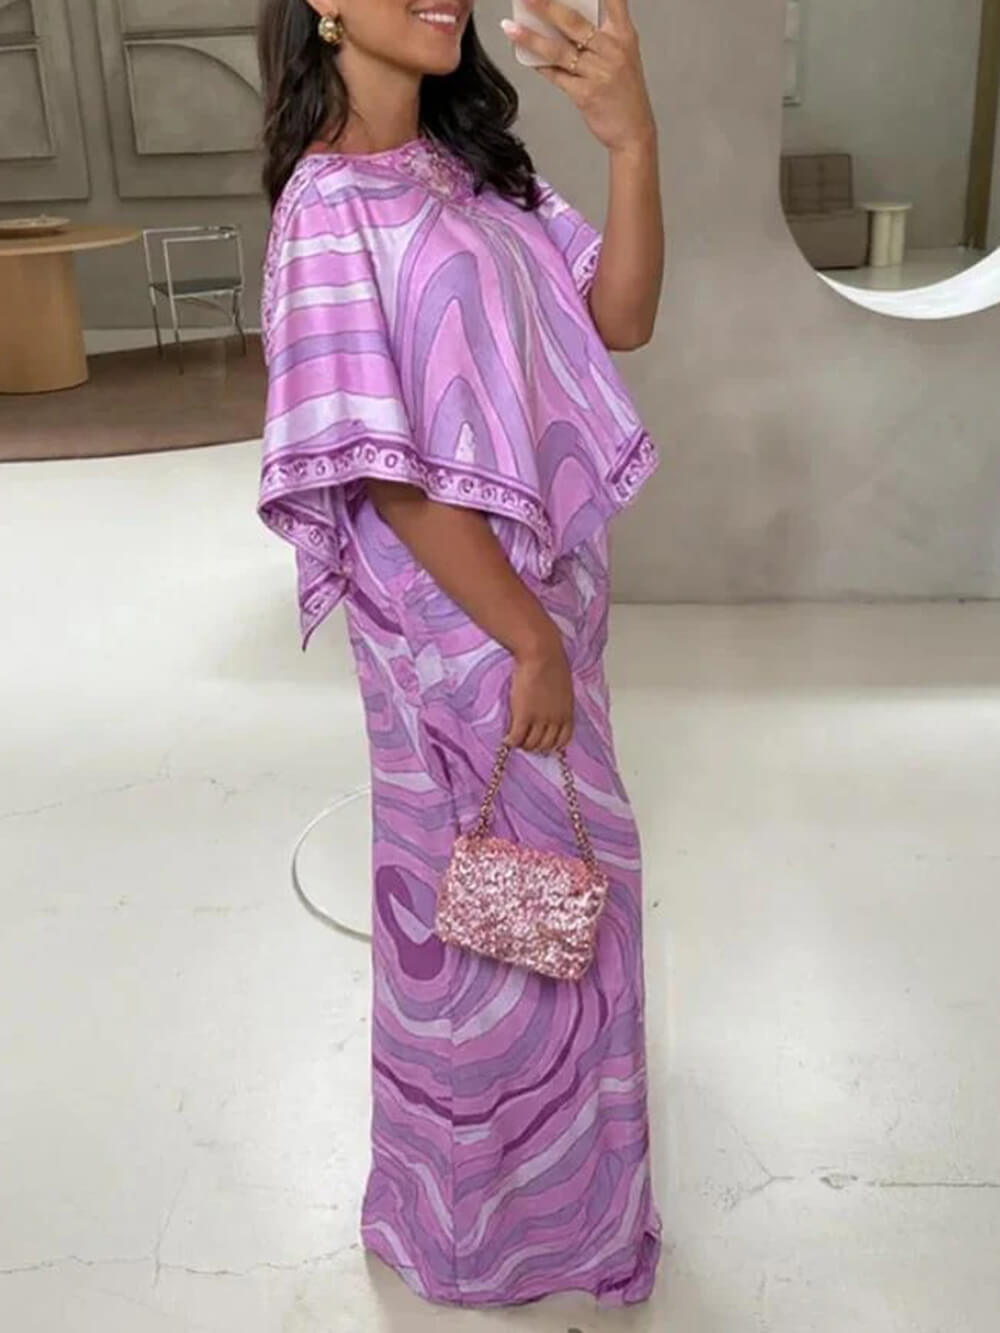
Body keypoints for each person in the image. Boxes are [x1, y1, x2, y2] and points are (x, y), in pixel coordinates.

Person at [255, 0, 666, 1308]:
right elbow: (384, 473)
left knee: (550, 914)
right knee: (502, 923)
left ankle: (563, 1214)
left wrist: (633, 142)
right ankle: (481, 1231)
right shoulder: (326, 211)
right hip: (465, 639)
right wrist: (527, 639)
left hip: (539, 618)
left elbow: (619, 316)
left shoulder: (472, 164)